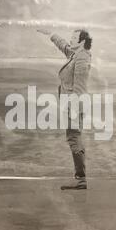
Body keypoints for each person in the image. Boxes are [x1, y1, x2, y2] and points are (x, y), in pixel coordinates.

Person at [37, 28, 92, 190]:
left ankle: (80, 179)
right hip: (72, 104)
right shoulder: (76, 54)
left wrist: (73, 108)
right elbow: (64, 46)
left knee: (74, 137)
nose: (71, 39)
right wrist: (51, 34)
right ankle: (80, 178)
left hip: (74, 104)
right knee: (75, 137)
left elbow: (80, 85)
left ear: (82, 41)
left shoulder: (82, 57)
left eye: (74, 38)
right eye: (71, 37)